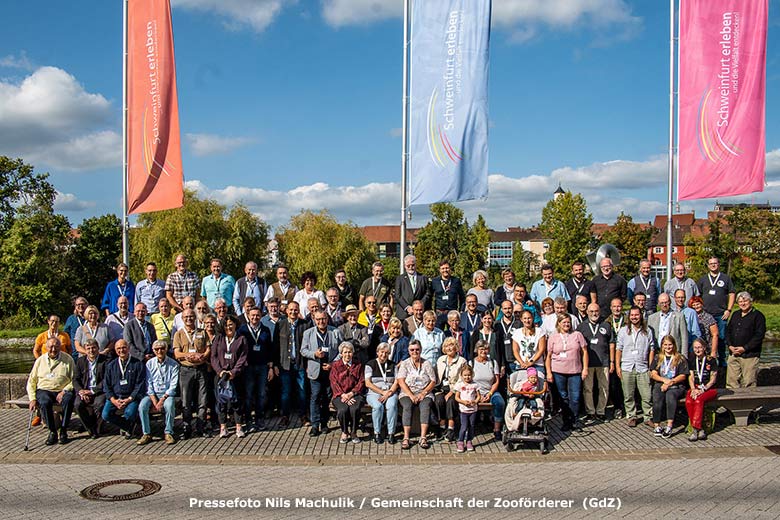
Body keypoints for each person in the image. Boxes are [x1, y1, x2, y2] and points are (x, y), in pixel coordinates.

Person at [301, 310, 342, 437]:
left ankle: (324, 423)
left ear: (327, 319)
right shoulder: (308, 333)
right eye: (318, 319)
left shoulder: (335, 332)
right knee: (315, 397)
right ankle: (315, 425)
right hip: (315, 370)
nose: (321, 322)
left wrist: (333, 364)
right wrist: (314, 354)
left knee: (326, 397)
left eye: (323, 319)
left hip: (330, 371)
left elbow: (342, 350)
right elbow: (303, 350)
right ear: (314, 319)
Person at [27, 337, 75, 445]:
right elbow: (31, 381)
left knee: (69, 399)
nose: (53, 349)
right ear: (46, 347)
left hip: (62, 389)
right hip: (45, 390)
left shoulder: (68, 359)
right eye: (50, 347)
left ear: (60, 347)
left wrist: (65, 390)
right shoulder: (40, 360)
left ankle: (63, 430)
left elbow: (74, 379)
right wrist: (32, 398)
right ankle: (52, 431)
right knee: (44, 402)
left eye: (56, 346)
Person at [545, 314, 589, 431]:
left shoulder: (577, 335)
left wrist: (585, 368)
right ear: (558, 323)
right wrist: (548, 372)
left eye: (568, 322)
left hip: (575, 371)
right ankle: (566, 421)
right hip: (558, 371)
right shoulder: (553, 337)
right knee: (563, 397)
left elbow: (584, 352)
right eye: (563, 322)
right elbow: (548, 356)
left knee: (575, 397)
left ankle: (574, 419)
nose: (566, 324)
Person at [173, 308, 211, 438]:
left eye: (191, 317)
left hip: (201, 369)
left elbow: (208, 348)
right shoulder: (179, 334)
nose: (189, 319)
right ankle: (186, 428)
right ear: (182, 319)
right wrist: (187, 355)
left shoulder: (202, 332)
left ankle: (201, 428)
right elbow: (177, 353)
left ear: (195, 318)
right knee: (186, 401)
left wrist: (203, 356)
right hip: (186, 370)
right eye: (186, 317)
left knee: (203, 400)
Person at [616, 307, 657, 427]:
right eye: (632, 315)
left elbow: (651, 349)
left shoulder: (648, 331)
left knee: (646, 395)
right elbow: (619, 349)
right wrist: (618, 366)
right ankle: (631, 416)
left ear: (641, 315)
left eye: (636, 315)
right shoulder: (623, 331)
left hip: (643, 367)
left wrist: (650, 367)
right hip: (627, 367)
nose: (634, 317)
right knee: (628, 395)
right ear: (629, 317)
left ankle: (648, 416)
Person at [211, 315, 248, 438]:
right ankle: (223, 427)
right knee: (221, 402)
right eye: (226, 325)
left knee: (236, 401)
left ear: (236, 325)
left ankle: (239, 426)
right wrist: (219, 371)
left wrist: (234, 371)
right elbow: (214, 356)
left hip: (236, 376)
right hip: (221, 376)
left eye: (231, 324)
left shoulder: (241, 339)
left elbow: (243, 357)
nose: (229, 327)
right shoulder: (219, 338)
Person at [137, 340, 180, 445]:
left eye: (162, 348)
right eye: (156, 349)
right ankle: (146, 433)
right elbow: (149, 383)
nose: (159, 351)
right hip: (153, 394)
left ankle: (168, 432)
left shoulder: (174, 364)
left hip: (167, 394)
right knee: (142, 406)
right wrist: (154, 400)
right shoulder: (149, 363)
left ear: (166, 349)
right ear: (153, 350)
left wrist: (162, 400)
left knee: (169, 406)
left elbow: (173, 386)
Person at [577, 303, 615, 422]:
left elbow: (612, 344)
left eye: (596, 311)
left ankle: (601, 411)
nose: (594, 313)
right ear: (587, 312)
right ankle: (590, 412)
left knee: (604, 387)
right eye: (592, 311)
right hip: (587, 363)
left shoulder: (606, 325)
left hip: (603, 362)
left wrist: (612, 361)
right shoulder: (581, 327)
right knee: (588, 388)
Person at [396, 339, 437, 450]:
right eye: (412, 350)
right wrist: (411, 395)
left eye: (417, 349)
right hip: (407, 392)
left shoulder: (426, 363)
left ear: (421, 350)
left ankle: (423, 437)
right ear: (409, 351)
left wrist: (423, 393)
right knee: (407, 406)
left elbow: (433, 381)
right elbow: (400, 380)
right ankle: (406, 437)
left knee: (425, 406)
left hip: (424, 392)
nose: (415, 352)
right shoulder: (405, 364)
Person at [273, 301, 308, 426]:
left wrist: (307, 365)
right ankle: (285, 416)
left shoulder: (305, 325)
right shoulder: (280, 324)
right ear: (287, 311)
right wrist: (275, 365)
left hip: (300, 363)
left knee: (302, 391)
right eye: (291, 310)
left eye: (296, 310)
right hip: (284, 364)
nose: (293, 312)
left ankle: (303, 415)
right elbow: (276, 346)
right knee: (285, 392)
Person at [102, 339, 146, 438]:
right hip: (116, 397)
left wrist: (129, 399)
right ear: (115, 350)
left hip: (131, 398)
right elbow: (107, 385)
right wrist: (113, 400)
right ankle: (129, 427)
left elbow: (140, 385)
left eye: (124, 347)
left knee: (129, 413)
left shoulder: (137, 364)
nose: (121, 350)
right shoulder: (111, 366)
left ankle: (128, 427)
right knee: (106, 415)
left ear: (128, 348)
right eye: (118, 348)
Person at [239, 307, 274, 432]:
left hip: (262, 366)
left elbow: (270, 349)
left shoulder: (265, 330)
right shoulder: (242, 330)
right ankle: (248, 420)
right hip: (248, 367)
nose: (255, 318)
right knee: (248, 395)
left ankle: (260, 418)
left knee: (261, 394)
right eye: (252, 315)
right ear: (248, 316)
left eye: (257, 315)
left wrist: (270, 367)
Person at [648, 335, 689, 438]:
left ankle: (669, 425)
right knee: (657, 396)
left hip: (676, 385)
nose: (668, 347)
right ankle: (657, 425)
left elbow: (683, 375)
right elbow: (653, 374)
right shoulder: (658, 357)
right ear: (662, 346)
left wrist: (670, 382)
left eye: (670, 344)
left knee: (670, 396)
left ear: (674, 345)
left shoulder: (680, 358)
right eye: (665, 345)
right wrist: (664, 380)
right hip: (661, 382)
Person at [697, 256, 736, 363]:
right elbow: (697, 296)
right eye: (711, 263)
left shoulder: (725, 278)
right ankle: (706, 359)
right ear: (708, 265)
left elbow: (732, 293)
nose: (713, 265)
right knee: (704, 337)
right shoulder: (703, 279)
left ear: (719, 264)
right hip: (706, 314)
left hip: (721, 314)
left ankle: (722, 360)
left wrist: (729, 310)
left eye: (715, 263)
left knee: (722, 337)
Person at [725, 291, 766, 389]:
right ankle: (732, 403)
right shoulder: (735, 314)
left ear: (750, 301)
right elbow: (728, 331)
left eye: (745, 301)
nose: (743, 304)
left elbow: (759, 336)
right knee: (731, 382)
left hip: (750, 356)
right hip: (733, 354)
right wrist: (730, 345)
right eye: (740, 302)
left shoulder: (758, 316)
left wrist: (745, 348)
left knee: (749, 382)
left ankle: (750, 404)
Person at [330, 342, 365, 444]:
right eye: (345, 352)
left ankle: (353, 432)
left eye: (350, 352)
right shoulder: (336, 366)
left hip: (355, 394)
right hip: (340, 395)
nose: (347, 355)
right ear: (341, 354)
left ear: (353, 353)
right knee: (343, 409)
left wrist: (351, 394)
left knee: (354, 409)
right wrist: (343, 395)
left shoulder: (358, 365)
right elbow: (334, 382)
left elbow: (361, 381)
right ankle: (345, 432)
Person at [365, 342, 399, 444]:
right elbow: (368, 383)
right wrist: (382, 392)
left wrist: (389, 393)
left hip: (390, 392)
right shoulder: (370, 364)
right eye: (381, 352)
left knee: (392, 405)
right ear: (377, 352)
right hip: (374, 392)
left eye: (386, 353)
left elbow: (397, 382)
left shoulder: (393, 365)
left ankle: (391, 433)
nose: (384, 355)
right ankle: (377, 433)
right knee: (378, 406)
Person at [469, 339, 504, 440]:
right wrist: (478, 396)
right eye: (481, 349)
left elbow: (496, 381)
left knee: (500, 402)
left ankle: (497, 429)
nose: (483, 351)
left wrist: (489, 394)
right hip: (475, 392)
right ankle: (469, 428)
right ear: (477, 350)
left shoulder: (493, 362)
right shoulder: (471, 363)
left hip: (490, 391)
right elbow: (468, 381)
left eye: (485, 349)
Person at [434, 337, 467, 442]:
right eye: (447, 346)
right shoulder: (440, 360)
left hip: (455, 389)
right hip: (441, 387)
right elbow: (436, 376)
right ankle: (442, 426)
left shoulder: (462, 361)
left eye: (451, 345)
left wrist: (452, 391)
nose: (449, 348)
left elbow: (463, 379)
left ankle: (451, 428)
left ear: (456, 347)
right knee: (439, 401)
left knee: (451, 401)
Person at [73, 338, 107, 438]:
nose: (91, 351)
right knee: (77, 404)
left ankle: (97, 427)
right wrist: (81, 392)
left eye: (93, 348)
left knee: (99, 404)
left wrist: (92, 391)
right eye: (88, 348)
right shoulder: (80, 361)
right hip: (84, 391)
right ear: (85, 350)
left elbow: (106, 380)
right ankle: (90, 428)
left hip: (99, 391)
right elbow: (75, 379)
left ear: (98, 348)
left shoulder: (105, 361)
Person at [686, 338, 718, 442]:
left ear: (704, 348)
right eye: (695, 347)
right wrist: (693, 389)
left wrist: (703, 389)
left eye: (699, 347)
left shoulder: (711, 360)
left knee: (699, 400)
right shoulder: (691, 359)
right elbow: (691, 377)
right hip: (695, 387)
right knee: (689, 401)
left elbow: (713, 379)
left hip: (709, 388)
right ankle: (700, 429)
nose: (697, 350)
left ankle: (695, 429)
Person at [648, 293, 689, 359]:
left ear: (670, 302)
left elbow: (684, 338)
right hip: (657, 353)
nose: (664, 305)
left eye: (666, 302)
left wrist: (684, 357)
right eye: (662, 303)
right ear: (658, 303)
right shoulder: (651, 318)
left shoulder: (679, 316)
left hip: (674, 353)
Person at [510, 309, 547, 376]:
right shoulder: (517, 332)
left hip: (537, 365)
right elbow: (515, 350)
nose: (527, 320)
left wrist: (531, 362)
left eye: (529, 318)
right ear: (521, 319)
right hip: (521, 365)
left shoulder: (539, 331)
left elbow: (541, 349)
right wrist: (521, 362)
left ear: (532, 318)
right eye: (525, 318)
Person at [394, 254, 431, 319]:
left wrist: (419, 306)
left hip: (420, 313)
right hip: (404, 314)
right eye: (408, 266)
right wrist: (407, 307)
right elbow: (397, 295)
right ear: (405, 266)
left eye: (413, 265)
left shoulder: (423, 277)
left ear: (416, 265)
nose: (411, 267)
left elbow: (427, 293)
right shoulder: (399, 279)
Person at [453, 364, 480, 453]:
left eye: (469, 375)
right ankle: (460, 441)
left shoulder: (475, 385)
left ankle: (469, 441)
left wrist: (475, 401)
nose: (467, 377)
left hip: (473, 410)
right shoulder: (459, 385)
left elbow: (478, 396)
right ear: (461, 375)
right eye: (465, 375)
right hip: (464, 410)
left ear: (472, 375)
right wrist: (463, 402)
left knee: (471, 426)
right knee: (464, 426)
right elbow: (456, 397)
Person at [432, 260, 466, 329]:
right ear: (440, 270)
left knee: (453, 332)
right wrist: (431, 311)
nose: (445, 270)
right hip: (439, 313)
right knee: (438, 332)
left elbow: (462, 296)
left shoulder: (456, 281)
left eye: (447, 268)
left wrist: (461, 310)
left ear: (450, 269)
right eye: (443, 268)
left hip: (452, 312)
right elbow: (430, 296)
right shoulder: (435, 281)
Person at [689, 296, 719, 361]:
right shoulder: (689, 317)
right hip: (694, 349)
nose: (696, 306)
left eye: (697, 304)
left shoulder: (709, 317)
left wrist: (713, 352)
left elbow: (715, 334)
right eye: (693, 305)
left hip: (707, 349)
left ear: (701, 304)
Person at [673, 289, 702, 354]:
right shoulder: (671, 312)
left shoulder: (691, 312)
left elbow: (696, 332)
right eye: (678, 297)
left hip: (687, 347)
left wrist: (692, 349)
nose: (680, 300)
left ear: (685, 298)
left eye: (682, 297)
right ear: (674, 298)